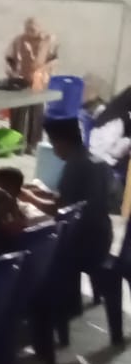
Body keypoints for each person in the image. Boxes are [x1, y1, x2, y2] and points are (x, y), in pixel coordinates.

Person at [46, 116, 114, 274]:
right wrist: (41, 194)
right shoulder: (97, 161)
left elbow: (59, 210)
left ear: (62, 142)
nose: (54, 151)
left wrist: (28, 197)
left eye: (53, 144)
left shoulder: (75, 165)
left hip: (83, 242)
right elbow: (79, 198)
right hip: (104, 236)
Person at [5, 17, 58, 153]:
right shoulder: (19, 40)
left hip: (39, 82)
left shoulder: (47, 41)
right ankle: (16, 144)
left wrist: (43, 70)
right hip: (20, 81)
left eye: (33, 29)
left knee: (36, 114)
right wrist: (11, 72)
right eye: (27, 29)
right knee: (18, 112)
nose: (30, 31)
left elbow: (54, 60)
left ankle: (33, 145)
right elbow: (9, 58)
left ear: (40, 28)